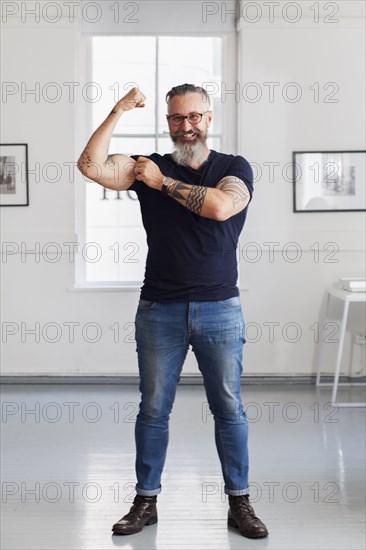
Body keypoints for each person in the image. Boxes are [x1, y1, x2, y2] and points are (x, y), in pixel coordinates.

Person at [77, 84, 268, 539]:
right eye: (177, 119)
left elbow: (222, 208)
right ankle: (146, 501)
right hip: (158, 308)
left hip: (219, 308)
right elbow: (89, 166)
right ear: (168, 123)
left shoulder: (232, 168)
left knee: (229, 409)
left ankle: (239, 502)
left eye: (194, 117)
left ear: (209, 118)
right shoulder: (148, 165)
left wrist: (161, 184)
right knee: (153, 410)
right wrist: (118, 110)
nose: (186, 127)